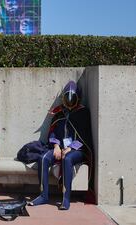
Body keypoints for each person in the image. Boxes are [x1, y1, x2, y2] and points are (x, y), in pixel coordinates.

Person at [29, 81, 93, 210]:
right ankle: (43, 195)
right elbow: (52, 133)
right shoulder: (59, 113)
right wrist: (56, 146)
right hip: (59, 147)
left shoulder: (83, 112)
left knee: (67, 158)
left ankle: (66, 198)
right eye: (67, 98)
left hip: (78, 150)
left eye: (72, 98)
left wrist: (71, 147)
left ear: (78, 98)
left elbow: (85, 137)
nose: (69, 102)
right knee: (43, 158)